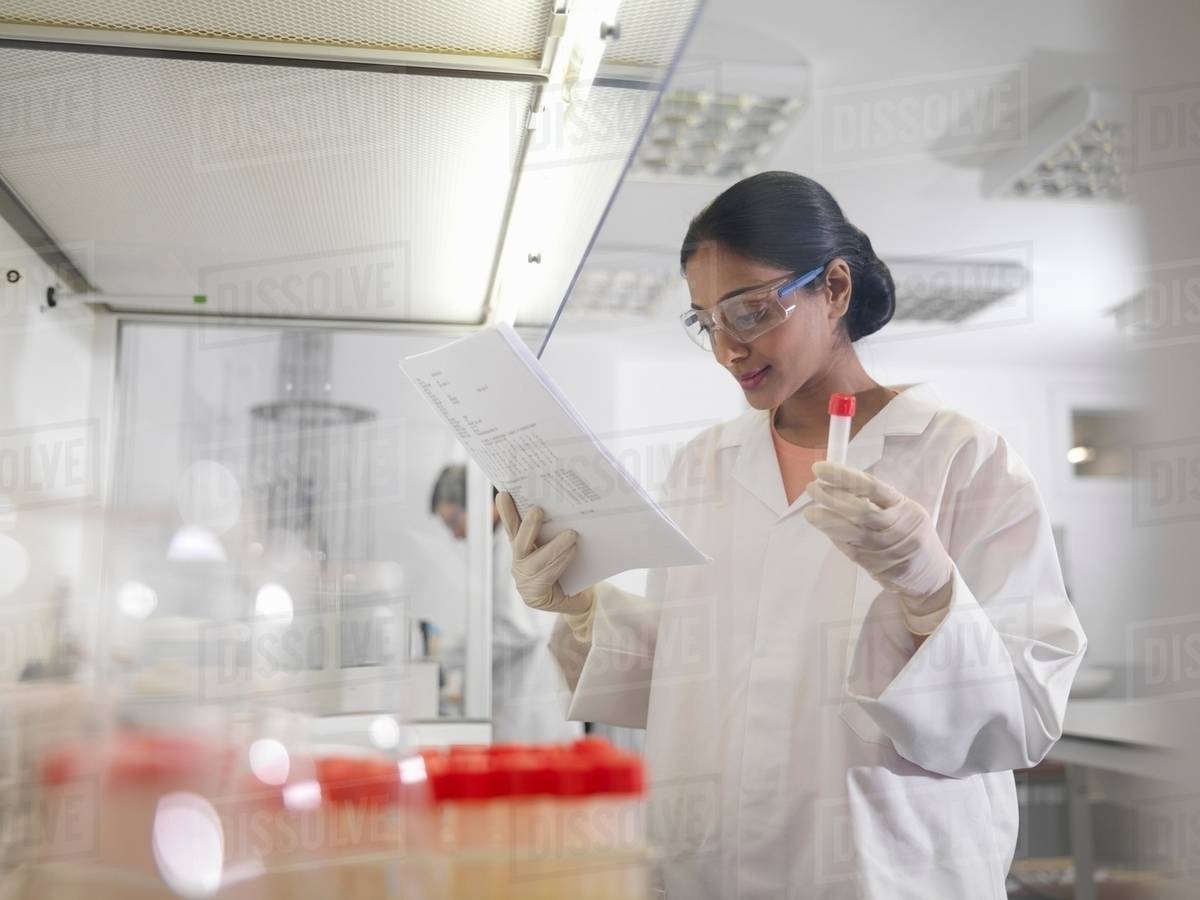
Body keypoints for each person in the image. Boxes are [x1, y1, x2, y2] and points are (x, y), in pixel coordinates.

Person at [494, 172, 1087, 898]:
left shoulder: (964, 459)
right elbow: (688, 672)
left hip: (884, 873)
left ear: (834, 288)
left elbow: (1023, 718)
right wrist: (583, 603)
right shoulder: (702, 464)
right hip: (708, 869)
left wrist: (933, 593)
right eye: (706, 323)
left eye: (749, 312)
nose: (727, 350)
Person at [430, 465, 581, 743]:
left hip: (533, 711)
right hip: (519, 703)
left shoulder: (512, 545)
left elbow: (519, 629)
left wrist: (446, 651)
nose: (454, 534)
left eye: (453, 521)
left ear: (482, 503)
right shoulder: (495, 547)